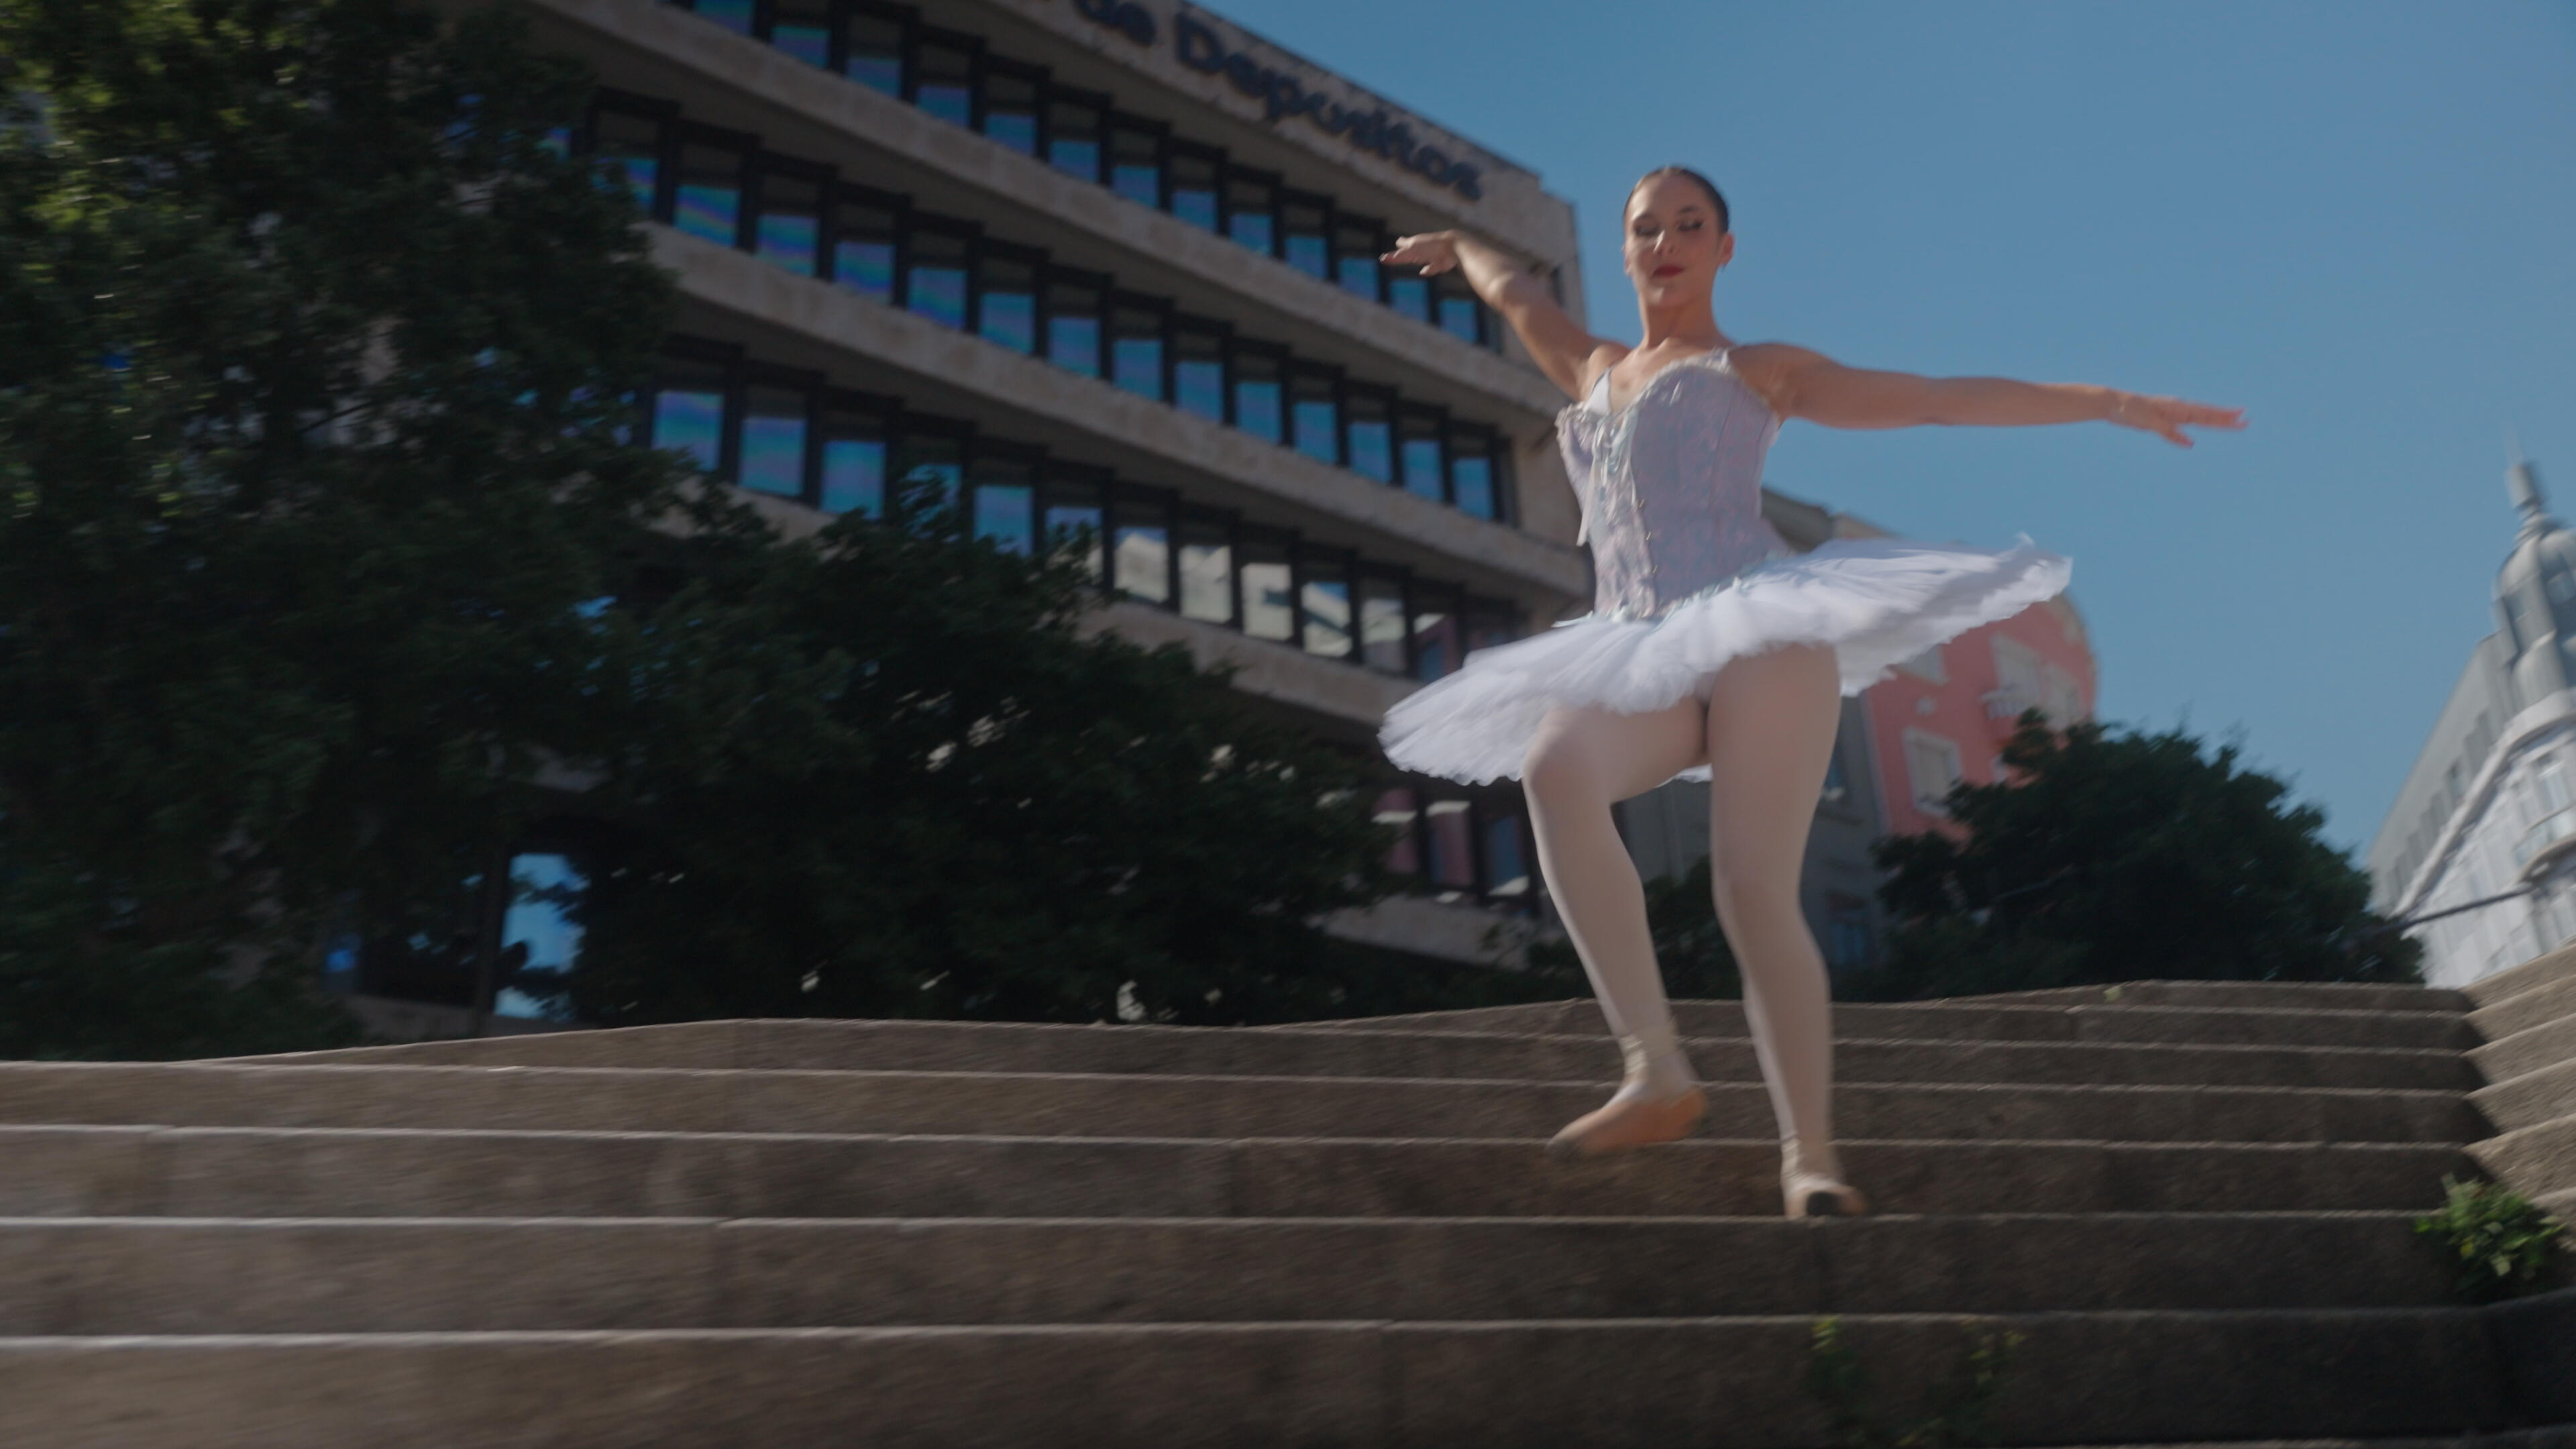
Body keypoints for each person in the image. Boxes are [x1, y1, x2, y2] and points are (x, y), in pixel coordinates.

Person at [1377, 168, 2242, 1218]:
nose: (1666, 243)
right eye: (1646, 229)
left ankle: (1811, 1157)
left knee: (1751, 887)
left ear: (1724, 249)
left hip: (1760, 628)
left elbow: (1935, 399)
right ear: (1625, 250)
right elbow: (1513, 290)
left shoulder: (1759, 370)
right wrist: (1459, 246)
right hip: (1635, 644)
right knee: (1555, 768)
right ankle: (1656, 1072)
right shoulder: (1592, 368)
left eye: (1690, 226)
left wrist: (2108, 403)